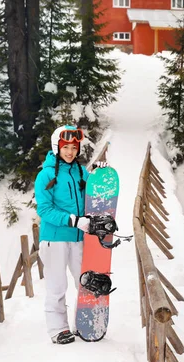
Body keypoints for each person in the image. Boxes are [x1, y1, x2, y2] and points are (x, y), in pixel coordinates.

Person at [34, 125, 107, 344]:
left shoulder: (80, 172)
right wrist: (73, 220)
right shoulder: (45, 175)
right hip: (54, 238)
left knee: (83, 282)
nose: (70, 152)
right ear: (56, 147)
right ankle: (58, 329)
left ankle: (83, 322)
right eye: (65, 147)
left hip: (78, 238)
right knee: (57, 286)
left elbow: (92, 193)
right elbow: (44, 209)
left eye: (74, 147)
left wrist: (99, 173)